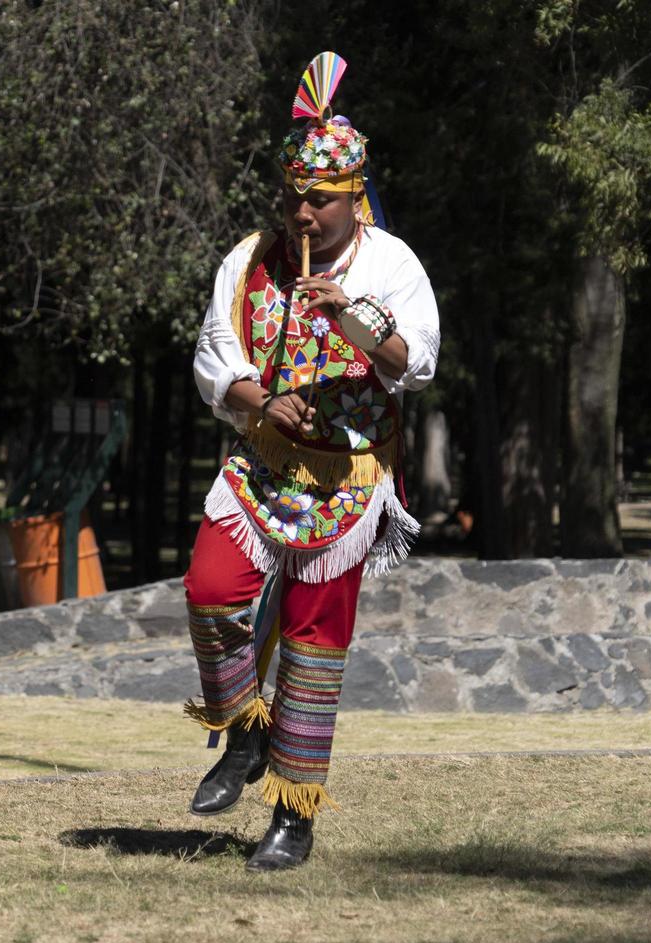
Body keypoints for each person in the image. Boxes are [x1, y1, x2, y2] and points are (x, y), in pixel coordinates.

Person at [183, 52, 440, 872]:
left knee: (313, 642)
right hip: (262, 467)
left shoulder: (389, 264)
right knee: (210, 589)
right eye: (294, 196)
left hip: (348, 479)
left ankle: (293, 814)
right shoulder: (249, 261)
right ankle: (246, 731)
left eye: (320, 200)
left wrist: (352, 315)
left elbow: (416, 362)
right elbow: (213, 355)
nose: (302, 213)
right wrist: (258, 399)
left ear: (354, 197)